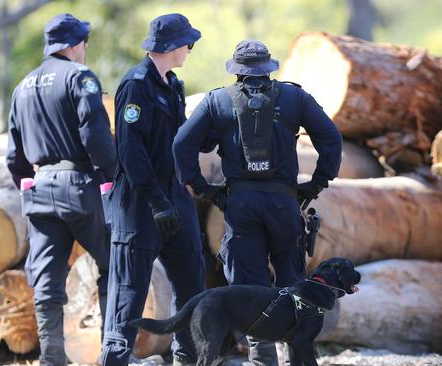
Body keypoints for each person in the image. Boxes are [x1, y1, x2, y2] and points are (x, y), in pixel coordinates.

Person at [172, 39, 342, 365]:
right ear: (268, 67)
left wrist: (202, 187)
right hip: (284, 205)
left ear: (236, 71)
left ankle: (262, 360)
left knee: (249, 287)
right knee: (294, 284)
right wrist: (318, 182)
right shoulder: (295, 97)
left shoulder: (217, 101)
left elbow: (181, 143)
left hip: (241, 206)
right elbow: (331, 138)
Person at [6, 13, 116, 366]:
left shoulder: (22, 86)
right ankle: (112, 353)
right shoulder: (79, 78)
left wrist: (28, 182)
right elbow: (94, 134)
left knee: (47, 280)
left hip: (39, 192)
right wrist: (111, 174)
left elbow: (14, 154)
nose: (86, 49)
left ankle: (52, 358)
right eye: (85, 42)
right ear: (73, 44)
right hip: (81, 187)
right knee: (113, 265)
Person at [99, 13, 205, 366]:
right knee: (128, 295)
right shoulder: (136, 85)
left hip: (174, 198)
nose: (190, 48)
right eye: (187, 43)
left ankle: (187, 359)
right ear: (174, 46)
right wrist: (157, 202)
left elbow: (181, 138)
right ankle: (114, 360)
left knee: (192, 284)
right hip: (140, 204)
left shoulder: (172, 85)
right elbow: (131, 152)